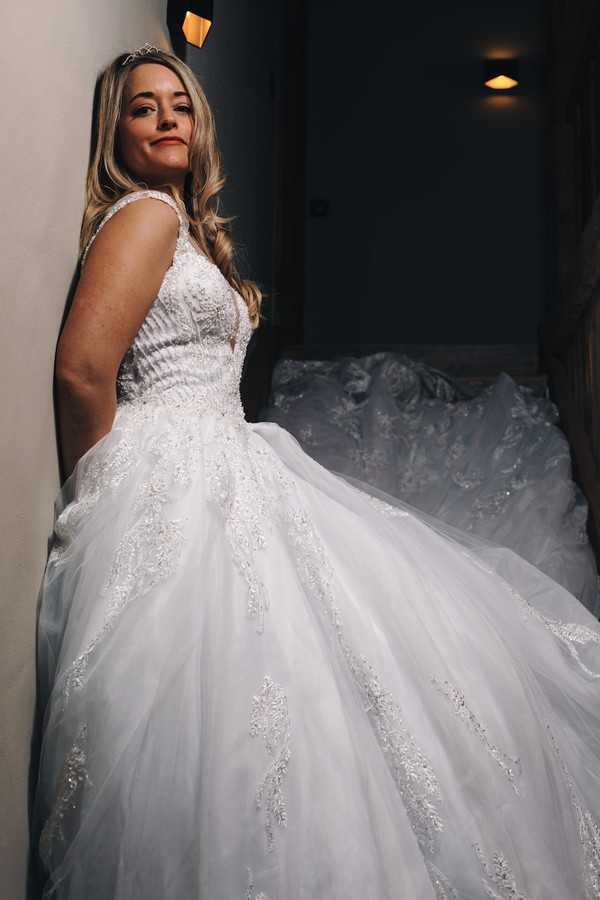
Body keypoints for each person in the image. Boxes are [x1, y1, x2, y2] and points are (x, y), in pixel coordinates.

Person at [31, 43, 600, 900]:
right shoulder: (144, 214)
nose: (165, 119)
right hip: (168, 472)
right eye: (142, 107)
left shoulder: (185, 230)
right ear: (115, 132)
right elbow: (82, 371)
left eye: (179, 104)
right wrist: (107, 493)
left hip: (227, 454)